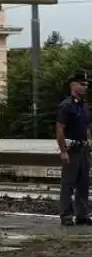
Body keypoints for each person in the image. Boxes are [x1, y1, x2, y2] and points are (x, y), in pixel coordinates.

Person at [56, 71, 91, 226]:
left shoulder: (84, 106)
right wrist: (63, 151)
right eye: (82, 84)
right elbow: (60, 129)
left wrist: (90, 141)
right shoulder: (66, 106)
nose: (85, 86)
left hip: (84, 149)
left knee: (84, 183)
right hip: (72, 149)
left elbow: (87, 126)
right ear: (73, 85)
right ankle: (66, 215)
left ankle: (82, 214)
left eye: (86, 84)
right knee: (68, 183)